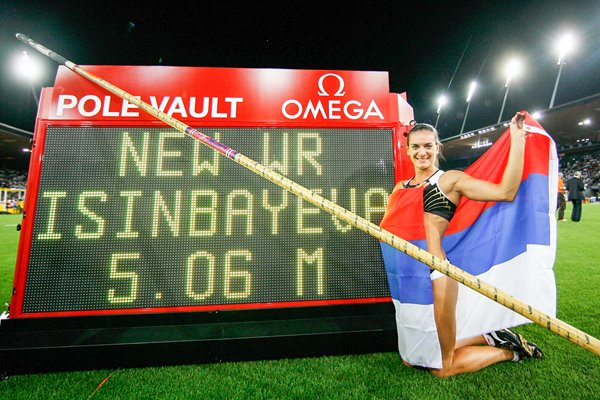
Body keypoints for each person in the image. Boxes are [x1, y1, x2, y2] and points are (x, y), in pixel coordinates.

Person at [380, 113, 544, 377]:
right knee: (412, 359)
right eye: (416, 146)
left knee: (442, 368)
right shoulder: (399, 187)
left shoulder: (450, 180)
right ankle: (491, 336)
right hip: (406, 279)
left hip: (435, 274)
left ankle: (510, 351)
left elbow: (506, 191)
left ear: (437, 148)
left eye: (428, 146)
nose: (422, 152)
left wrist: (516, 139)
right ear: (407, 150)